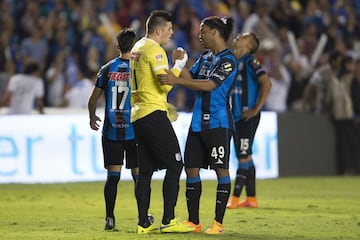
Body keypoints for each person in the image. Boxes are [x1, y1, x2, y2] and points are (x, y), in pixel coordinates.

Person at [159, 16, 237, 234]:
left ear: (214, 32)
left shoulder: (228, 60)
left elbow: (210, 85)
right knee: (191, 168)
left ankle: (218, 223)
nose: (199, 35)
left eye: (202, 31)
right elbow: (191, 76)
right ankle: (194, 221)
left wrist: (178, 81)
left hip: (218, 123)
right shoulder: (205, 57)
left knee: (221, 170)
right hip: (197, 124)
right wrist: (180, 63)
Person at [129, 10, 194, 234]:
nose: (172, 32)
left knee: (145, 170)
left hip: (137, 114)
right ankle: (168, 220)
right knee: (175, 164)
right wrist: (179, 64)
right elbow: (165, 85)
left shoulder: (137, 47)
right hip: (152, 112)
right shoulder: (155, 50)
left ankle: (143, 223)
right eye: (169, 29)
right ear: (158, 30)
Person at [87, 28, 139, 231]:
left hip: (111, 130)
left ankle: (110, 218)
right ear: (135, 46)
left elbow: (92, 100)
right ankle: (143, 216)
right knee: (138, 175)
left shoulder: (107, 68)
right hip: (134, 130)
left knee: (113, 176)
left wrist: (92, 117)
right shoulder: (138, 69)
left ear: (117, 46)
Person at [226, 32, 272, 209]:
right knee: (246, 156)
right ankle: (251, 198)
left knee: (243, 157)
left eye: (243, 37)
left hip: (247, 117)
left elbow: (267, 84)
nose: (238, 37)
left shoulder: (251, 62)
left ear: (249, 46)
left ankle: (235, 199)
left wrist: (255, 109)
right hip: (236, 117)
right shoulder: (234, 62)